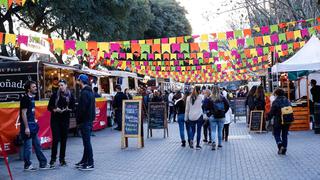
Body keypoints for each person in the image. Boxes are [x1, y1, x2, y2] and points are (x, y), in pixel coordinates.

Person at [20, 80, 52, 171]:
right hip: (28, 126)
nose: (36, 88)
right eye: (33, 87)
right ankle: (27, 165)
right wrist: (26, 127)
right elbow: (23, 114)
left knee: (38, 145)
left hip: (33, 125)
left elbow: (31, 113)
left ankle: (43, 164)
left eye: (35, 86)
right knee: (28, 147)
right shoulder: (25, 99)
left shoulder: (32, 98)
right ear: (28, 89)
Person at [47, 79, 75, 168]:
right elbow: (49, 107)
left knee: (64, 140)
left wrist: (68, 109)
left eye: (62, 85)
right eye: (59, 85)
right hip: (55, 120)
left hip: (65, 119)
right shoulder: (55, 95)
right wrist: (55, 109)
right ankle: (52, 159)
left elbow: (73, 107)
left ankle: (62, 159)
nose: (60, 87)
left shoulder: (70, 95)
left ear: (66, 85)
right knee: (55, 139)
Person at [75, 74, 95, 170]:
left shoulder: (84, 93)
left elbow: (82, 109)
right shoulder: (90, 92)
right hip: (89, 120)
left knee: (87, 143)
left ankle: (90, 163)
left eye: (78, 80)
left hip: (85, 121)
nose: (76, 82)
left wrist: (78, 120)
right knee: (86, 142)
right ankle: (84, 160)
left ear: (81, 81)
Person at [267, 88, 293, 155]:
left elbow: (272, 112)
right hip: (287, 120)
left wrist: (267, 118)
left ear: (276, 94)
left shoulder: (276, 101)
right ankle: (284, 148)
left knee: (276, 134)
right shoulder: (287, 100)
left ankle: (280, 145)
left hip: (278, 121)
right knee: (284, 135)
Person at [203, 85, 229, 150]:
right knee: (220, 131)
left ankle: (213, 142)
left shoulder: (210, 98)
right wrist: (224, 112)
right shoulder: (222, 98)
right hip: (221, 116)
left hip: (213, 116)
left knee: (213, 131)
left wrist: (209, 114)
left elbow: (206, 107)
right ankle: (220, 144)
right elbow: (228, 106)